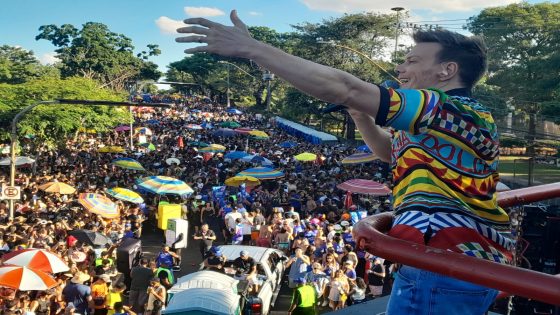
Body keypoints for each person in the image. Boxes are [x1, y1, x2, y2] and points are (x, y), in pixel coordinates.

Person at [177, 12, 508, 315]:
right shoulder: (431, 122)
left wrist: (253, 49)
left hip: (445, 263)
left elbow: (344, 86)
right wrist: (361, 116)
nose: (400, 69)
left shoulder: (448, 110)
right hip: (438, 260)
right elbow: (391, 153)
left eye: (411, 61)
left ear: (447, 70)